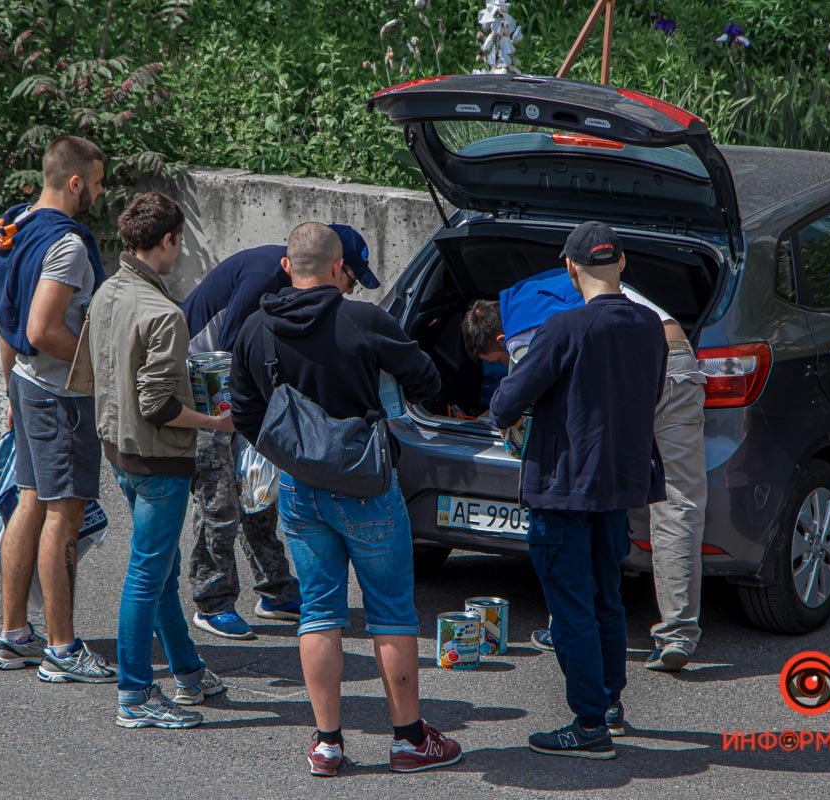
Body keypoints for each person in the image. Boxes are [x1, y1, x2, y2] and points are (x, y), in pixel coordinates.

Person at [228, 222, 462, 777]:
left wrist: (293, 450)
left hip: (300, 490)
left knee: (319, 612)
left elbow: (242, 413)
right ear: (339, 269)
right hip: (368, 488)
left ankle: (328, 745)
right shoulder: (364, 319)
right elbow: (428, 381)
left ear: (287, 265)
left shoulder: (256, 328)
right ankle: (408, 741)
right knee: (391, 613)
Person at [464, 267, 707, 673]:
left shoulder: (525, 328)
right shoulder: (544, 287)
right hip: (674, 355)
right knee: (676, 501)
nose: (505, 362)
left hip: (625, 366)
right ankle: (677, 635)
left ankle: (567, 624)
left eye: (499, 359)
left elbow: (524, 391)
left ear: (502, 341)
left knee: (581, 489)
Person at [490, 221, 667, 760]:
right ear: (622, 263)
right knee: (605, 597)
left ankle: (590, 725)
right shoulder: (650, 327)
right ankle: (609, 702)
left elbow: (507, 401)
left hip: (564, 485)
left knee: (571, 608)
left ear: (570, 268)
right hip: (617, 483)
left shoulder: (564, 327)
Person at [180, 225, 379, 640]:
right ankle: (212, 601)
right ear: (333, 265)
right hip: (207, 388)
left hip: (245, 393)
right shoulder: (266, 273)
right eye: (350, 280)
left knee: (261, 492)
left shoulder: (296, 290)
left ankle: (276, 591)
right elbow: (229, 349)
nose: (349, 291)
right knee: (220, 498)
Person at [88, 192, 231, 729]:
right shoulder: (165, 314)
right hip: (157, 464)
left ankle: (189, 674)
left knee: (162, 571)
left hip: (119, 452)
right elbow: (159, 405)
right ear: (167, 240)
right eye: (179, 243)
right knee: (147, 575)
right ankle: (135, 696)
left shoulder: (108, 291)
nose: (179, 252)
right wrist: (215, 422)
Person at [0, 135, 116, 683]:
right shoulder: (65, 245)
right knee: (64, 513)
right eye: (98, 180)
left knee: (30, 501)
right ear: (74, 182)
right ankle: (62, 648)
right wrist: (103, 363)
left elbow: (6, 319)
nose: (101, 190)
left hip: (26, 384)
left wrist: (10, 391)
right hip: (61, 396)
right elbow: (41, 329)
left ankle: (14, 636)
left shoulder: (14, 226)